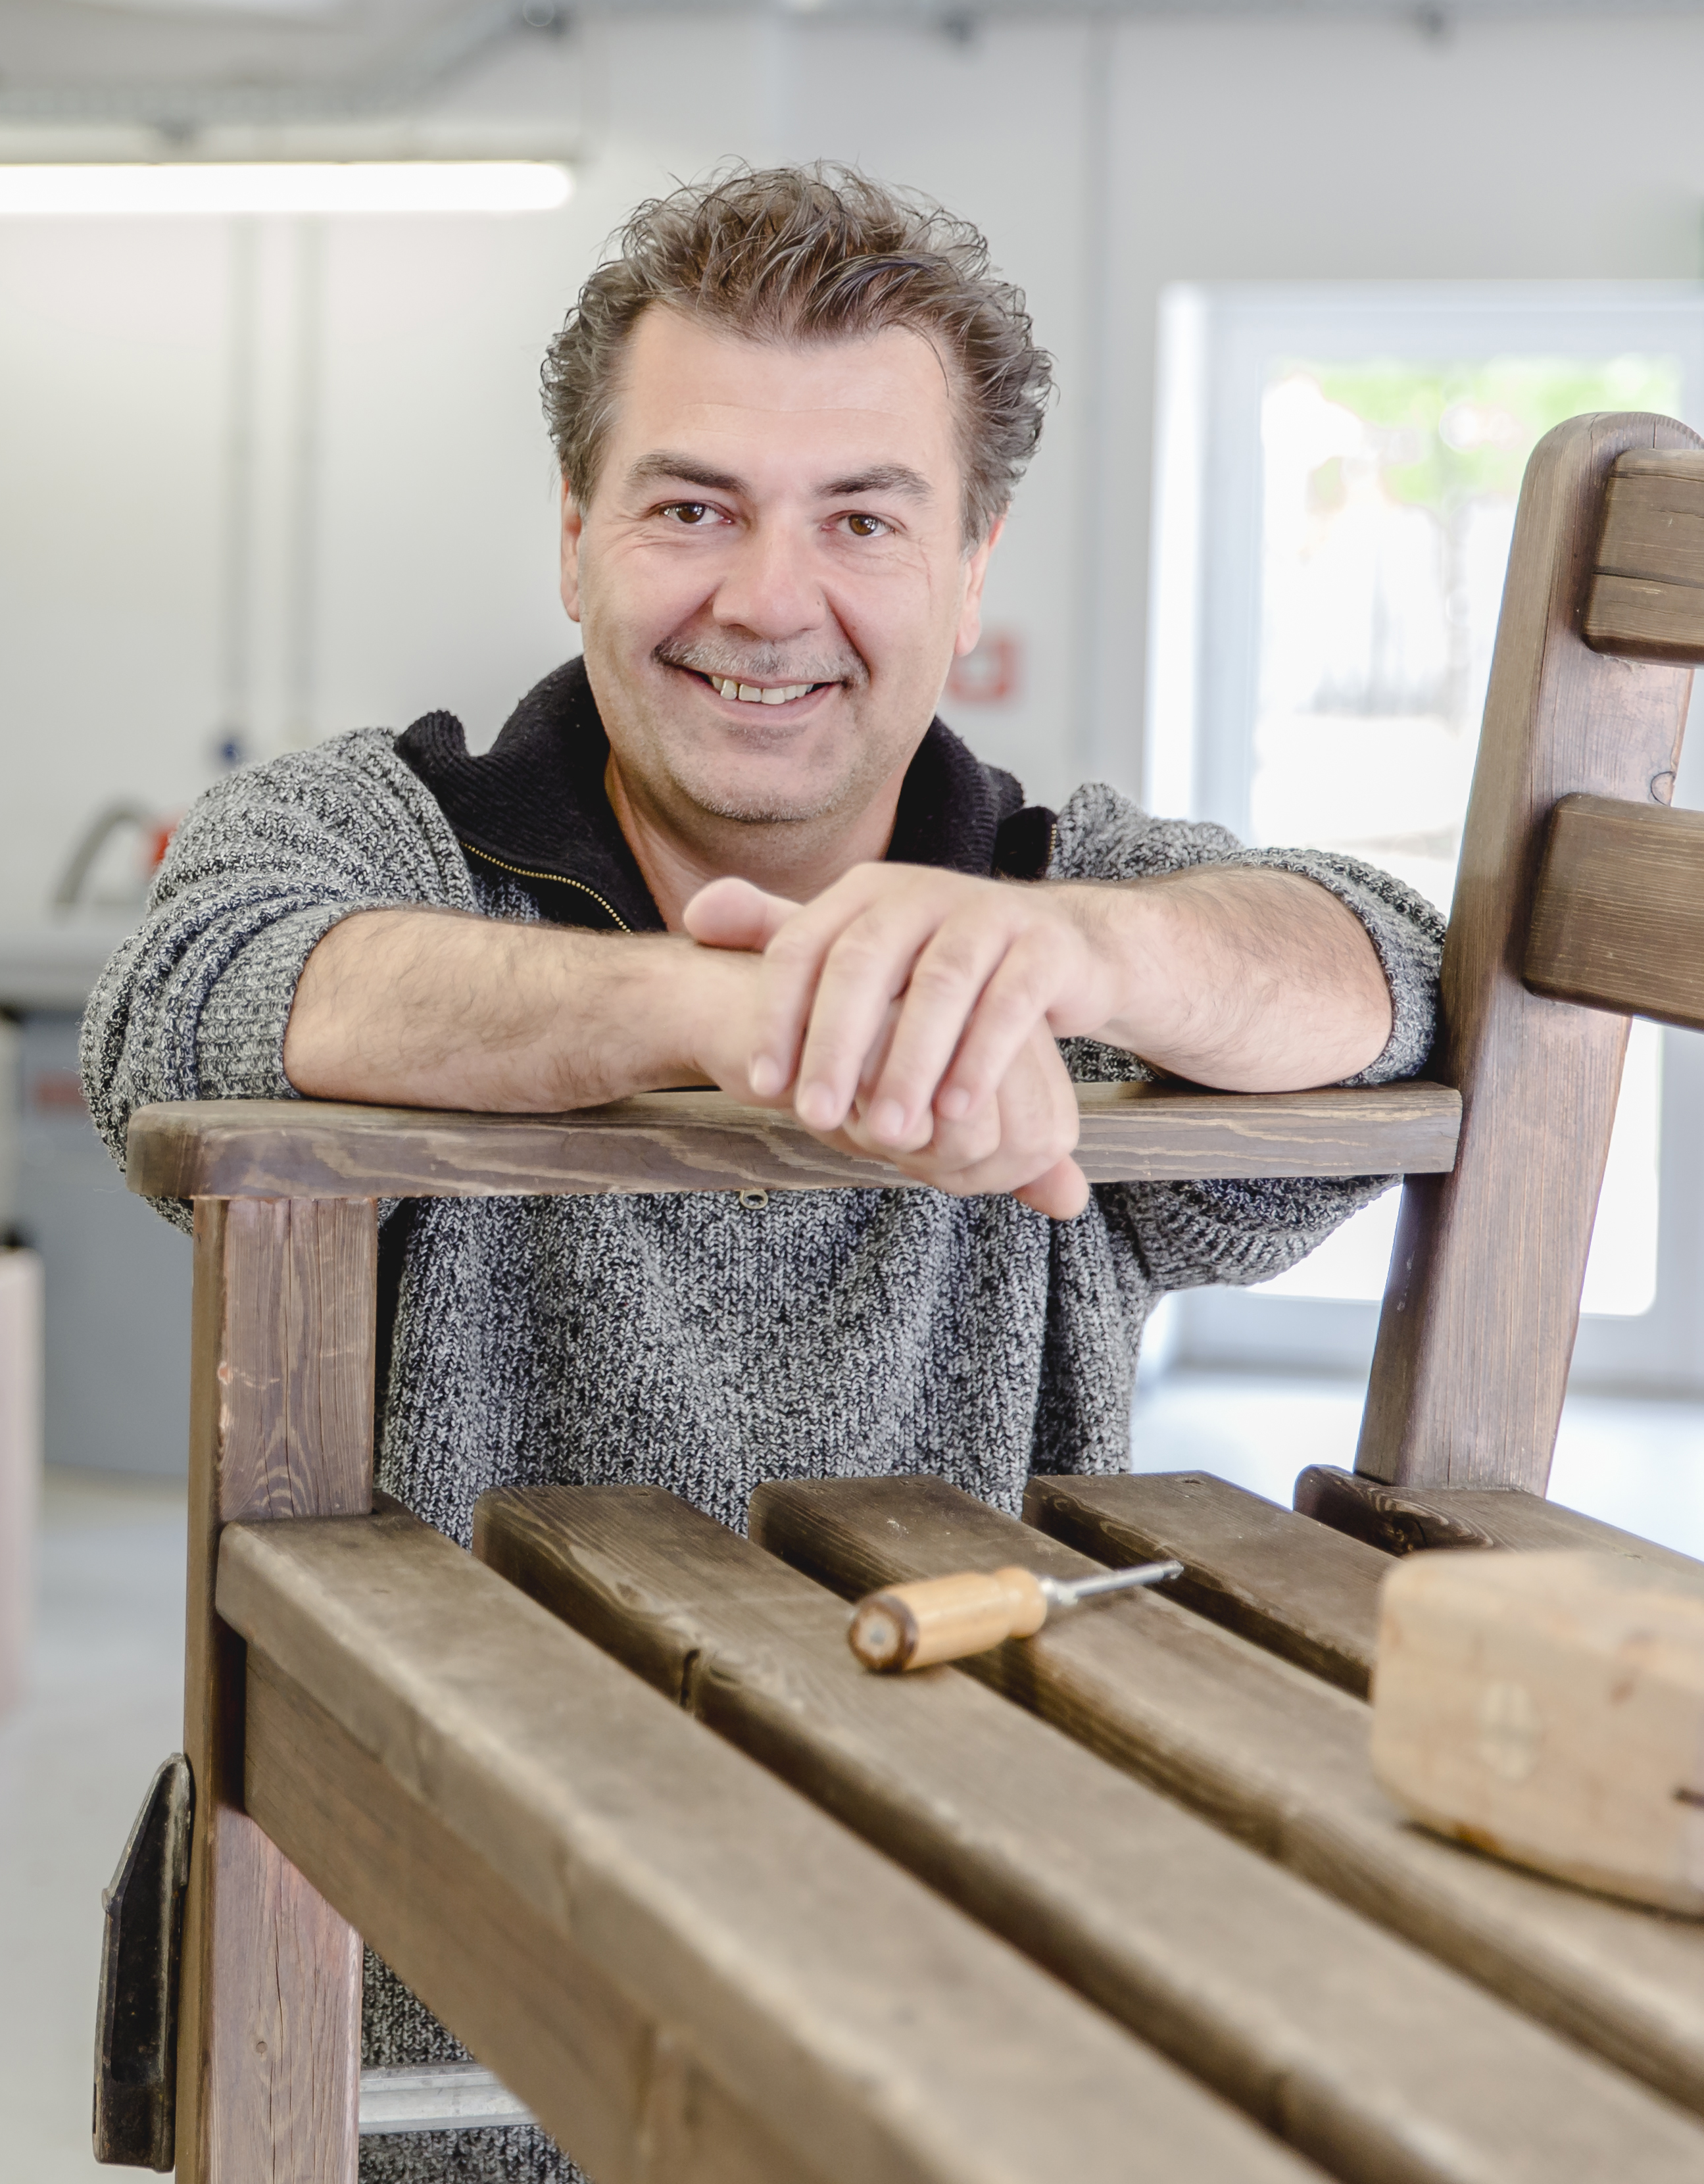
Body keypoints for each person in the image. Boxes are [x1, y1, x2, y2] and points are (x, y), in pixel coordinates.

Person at [81, 164, 1446, 2183]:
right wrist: (738, 1015)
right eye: (692, 505)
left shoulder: (1058, 904)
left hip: (921, 2014)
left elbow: (1390, 966)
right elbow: (184, 994)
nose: (766, 597)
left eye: (865, 518)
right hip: (399, 2034)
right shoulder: (382, 824)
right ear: (576, 539)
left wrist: (1077, 956)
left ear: (974, 568)